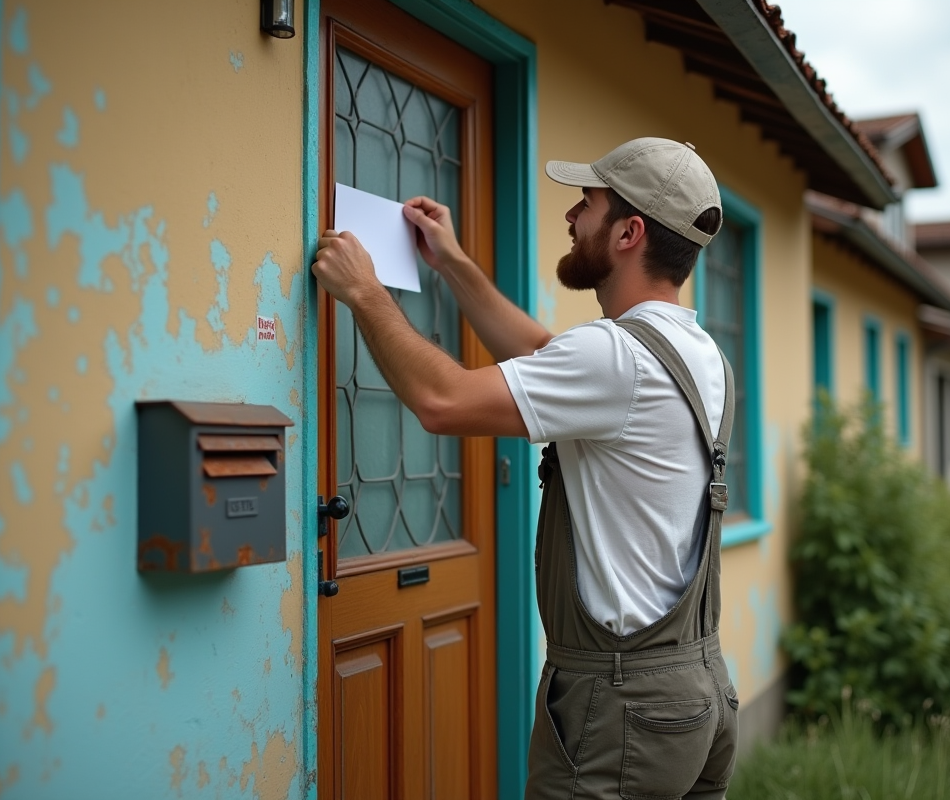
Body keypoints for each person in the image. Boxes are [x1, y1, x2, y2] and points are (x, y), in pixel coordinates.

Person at [313, 137, 739, 799]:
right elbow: (546, 355)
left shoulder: (614, 357)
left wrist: (365, 292)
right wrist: (452, 265)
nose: (571, 217)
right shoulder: (695, 351)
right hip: (696, 689)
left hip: (622, 708)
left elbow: (442, 401)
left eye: (587, 205)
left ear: (628, 232)